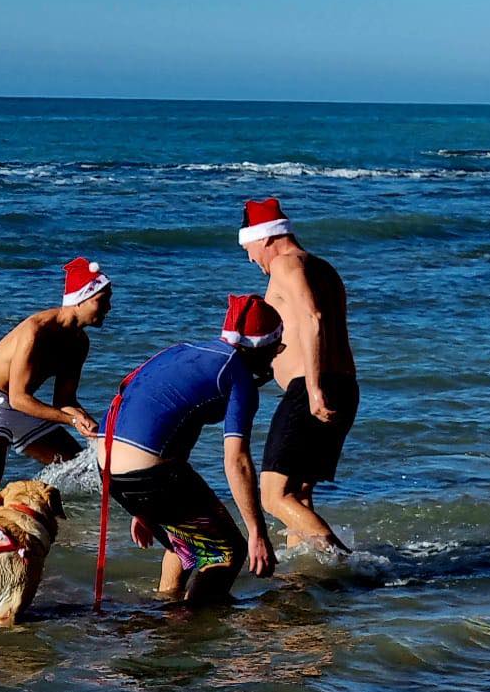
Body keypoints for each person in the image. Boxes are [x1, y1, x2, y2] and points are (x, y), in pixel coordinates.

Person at [103, 295, 283, 603]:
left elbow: (162, 418)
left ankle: (165, 602)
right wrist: (257, 533)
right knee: (228, 553)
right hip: (147, 473)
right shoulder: (237, 375)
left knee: (183, 540)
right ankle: (187, 629)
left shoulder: (185, 351)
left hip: (109, 465)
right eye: (276, 350)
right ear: (262, 348)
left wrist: (143, 508)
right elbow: (236, 460)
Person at [240, 198, 358, 554]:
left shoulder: (286, 266)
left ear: (264, 239)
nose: (249, 259)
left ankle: (345, 565)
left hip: (312, 389)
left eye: (248, 249)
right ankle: (302, 576)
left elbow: (312, 320)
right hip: (344, 387)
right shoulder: (322, 267)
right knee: (299, 495)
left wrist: (313, 388)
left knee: (274, 496)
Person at [0, 257, 113, 505]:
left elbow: (64, 400)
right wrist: (73, 420)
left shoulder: (79, 343)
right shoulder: (36, 331)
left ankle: (42, 514)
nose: (109, 307)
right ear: (81, 299)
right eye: (102, 300)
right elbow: (18, 398)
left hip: (21, 404)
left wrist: (93, 428)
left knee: (77, 466)